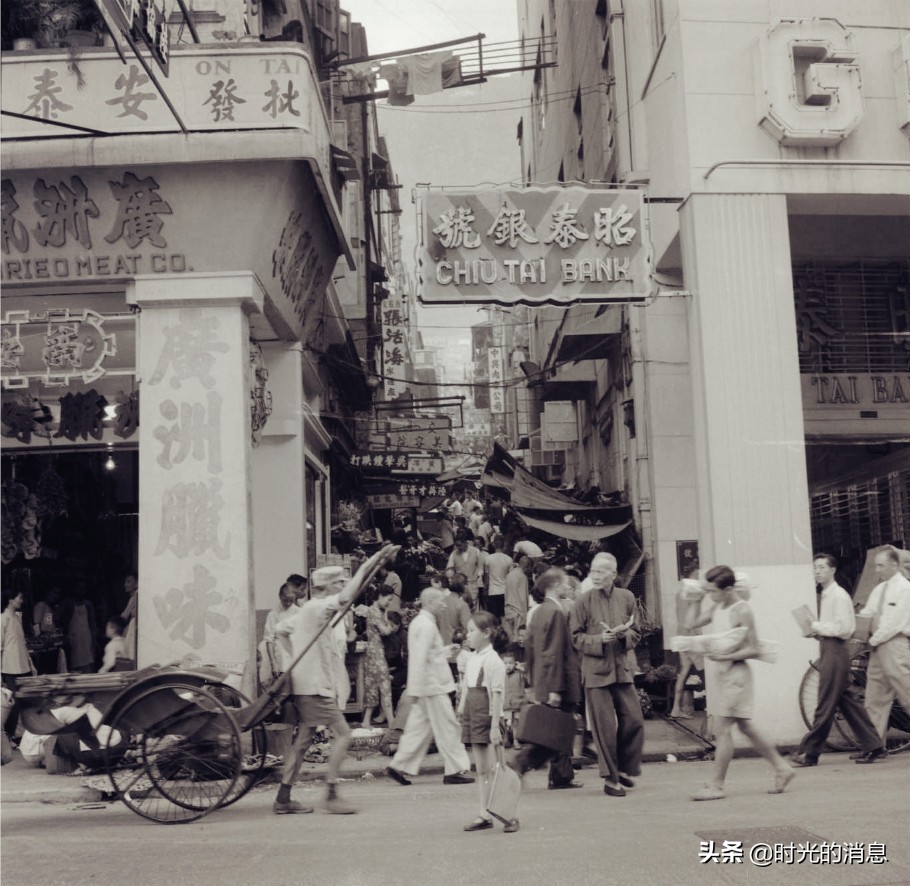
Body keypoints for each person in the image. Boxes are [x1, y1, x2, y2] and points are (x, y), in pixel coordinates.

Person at [272, 556, 390, 816]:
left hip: (309, 685)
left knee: (302, 743)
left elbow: (280, 630)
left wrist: (294, 659)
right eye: (338, 582)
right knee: (344, 734)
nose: (342, 586)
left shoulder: (308, 611)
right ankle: (331, 793)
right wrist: (367, 565)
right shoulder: (316, 608)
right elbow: (346, 597)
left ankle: (283, 798)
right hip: (314, 687)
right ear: (325, 586)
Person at [689, 565, 794, 800]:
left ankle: (717, 786)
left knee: (723, 729)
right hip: (724, 674)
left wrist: (723, 655)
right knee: (745, 727)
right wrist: (696, 599)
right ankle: (782, 768)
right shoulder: (718, 604)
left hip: (736, 675)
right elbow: (691, 623)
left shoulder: (742, 610)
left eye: (714, 591)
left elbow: (754, 647)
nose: (711, 595)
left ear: (727, 589)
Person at [791, 554, 884, 767]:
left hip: (835, 651)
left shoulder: (838, 595)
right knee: (848, 701)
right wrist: (817, 631)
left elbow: (843, 629)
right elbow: (835, 627)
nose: (818, 571)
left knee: (825, 702)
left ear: (833, 570)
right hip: (829, 648)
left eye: (822, 567)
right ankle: (874, 745)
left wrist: (816, 627)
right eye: (815, 568)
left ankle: (810, 752)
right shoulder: (827, 595)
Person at [569, 552, 644, 798]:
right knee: (605, 728)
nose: (596, 575)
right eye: (593, 571)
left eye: (602, 571)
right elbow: (575, 637)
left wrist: (624, 636)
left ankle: (623, 768)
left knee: (634, 720)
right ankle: (611, 780)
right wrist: (598, 640)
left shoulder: (627, 597)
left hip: (621, 669)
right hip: (595, 672)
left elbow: (637, 632)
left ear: (613, 574)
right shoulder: (583, 601)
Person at [386, 588, 474, 787]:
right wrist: (414, 690)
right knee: (449, 728)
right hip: (433, 686)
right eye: (441, 602)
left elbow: (426, 655)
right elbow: (419, 658)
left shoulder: (421, 622)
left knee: (419, 729)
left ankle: (399, 765)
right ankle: (455, 769)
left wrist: (444, 651)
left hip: (427, 685)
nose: (444, 605)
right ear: (431, 602)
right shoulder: (426, 625)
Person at [514, 568, 582, 790]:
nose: (568, 586)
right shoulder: (556, 611)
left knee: (558, 730)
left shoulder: (538, 611)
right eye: (564, 583)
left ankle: (561, 776)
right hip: (559, 681)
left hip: (545, 679)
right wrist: (554, 688)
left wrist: (535, 683)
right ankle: (521, 764)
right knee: (555, 732)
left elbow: (531, 649)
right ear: (554, 586)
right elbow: (553, 651)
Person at [457, 611, 519, 834]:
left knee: (496, 770)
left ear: (487, 633)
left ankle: (510, 815)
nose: (468, 635)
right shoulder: (473, 658)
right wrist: (462, 708)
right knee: (482, 770)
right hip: (474, 717)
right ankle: (484, 814)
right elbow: (466, 687)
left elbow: (497, 697)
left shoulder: (494, 661)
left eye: (472, 631)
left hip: (488, 719)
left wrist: (494, 727)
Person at [856, 545, 910, 748]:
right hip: (878, 647)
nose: (877, 570)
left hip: (894, 645)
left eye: (881, 566)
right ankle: (874, 746)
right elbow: (868, 613)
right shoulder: (879, 589)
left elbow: (893, 623)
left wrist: (872, 640)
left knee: (907, 694)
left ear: (894, 565)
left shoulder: (904, 589)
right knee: (874, 698)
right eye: (876, 566)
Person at [361, 586, 397, 730]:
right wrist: (388, 620)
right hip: (376, 651)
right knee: (384, 685)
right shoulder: (375, 611)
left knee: (374, 686)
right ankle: (392, 723)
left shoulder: (374, 611)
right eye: (388, 600)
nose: (389, 603)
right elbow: (386, 631)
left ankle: (366, 721)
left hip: (373, 651)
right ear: (380, 596)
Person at [670, 568, 704, 719]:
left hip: (681, 636)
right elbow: (693, 618)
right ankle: (713, 707)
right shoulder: (693, 593)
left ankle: (676, 708)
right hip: (691, 636)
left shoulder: (679, 594)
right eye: (697, 576)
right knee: (707, 669)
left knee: (684, 673)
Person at [2, 590, 36, 740]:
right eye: (19, 598)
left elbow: (22, 644)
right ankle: (9, 735)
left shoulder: (16, 618)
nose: (21, 600)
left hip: (22, 665)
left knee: (26, 700)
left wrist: (31, 663)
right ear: (10, 600)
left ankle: (23, 734)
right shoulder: (3, 618)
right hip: (10, 667)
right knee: (12, 702)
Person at [259, 583, 297, 688]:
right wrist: (273, 663)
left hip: (295, 655)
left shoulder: (298, 612)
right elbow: (269, 640)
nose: (288, 603)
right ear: (280, 597)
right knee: (282, 690)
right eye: (285, 600)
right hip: (280, 658)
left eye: (291, 600)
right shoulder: (273, 614)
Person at [57, 583, 98, 674]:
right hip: (73, 636)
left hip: (86, 636)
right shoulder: (67, 603)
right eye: (78, 588)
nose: (80, 591)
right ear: (73, 589)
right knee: (75, 661)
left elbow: (92, 622)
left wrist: (94, 638)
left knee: (88, 660)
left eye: (82, 589)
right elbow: (57, 617)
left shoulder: (88, 604)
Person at [446, 531, 485, 610]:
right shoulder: (454, 554)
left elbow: (481, 567)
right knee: (461, 607)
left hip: (473, 584)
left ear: (465, 543)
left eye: (460, 545)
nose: (458, 548)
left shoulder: (476, 551)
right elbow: (449, 569)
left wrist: (478, 576)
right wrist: (451, 579)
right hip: (460, 586)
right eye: (457, 546)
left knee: (474, 607)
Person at [31, 587, 62, 675]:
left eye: (58, 594)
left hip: (50, 644)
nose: (56, 596)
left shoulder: (49, 608)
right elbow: (36, 624)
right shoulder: (40, 605)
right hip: (44, 646)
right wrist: (39, 642)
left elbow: (47, 624)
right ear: (47, 592)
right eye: (54, 593)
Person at [501, 647, 526, 748]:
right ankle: (506, 738)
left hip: (517, 703)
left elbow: (528, 682)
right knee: (506, 723)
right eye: (505, 663)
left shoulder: (519, 674)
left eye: (510, 663)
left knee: (516, 723)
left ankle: (516, 740)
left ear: (515, 663)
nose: (508, 666)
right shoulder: (500, 675)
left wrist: (522, 669)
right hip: (505, 703)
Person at [484, 535, 512, 619]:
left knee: (494, 617)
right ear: (504, 545)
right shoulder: (509, 559)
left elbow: (486, 578)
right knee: (504, 616)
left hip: (492, 591)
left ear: (493, 545)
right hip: (505, 591)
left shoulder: (488, 559)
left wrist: (485, 590)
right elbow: (510, 578)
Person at [503, 556, 530, 642]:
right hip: (518, 610)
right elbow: (523, 597)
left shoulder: (509, 575)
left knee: (509, 636)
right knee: (517, 637)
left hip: (508, 608)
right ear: (527, 566)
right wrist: (525, 616)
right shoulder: (522, 577)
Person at [120, 575, 138, 661]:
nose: (125, 584)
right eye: (125, 582)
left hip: (134, 625)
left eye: (129, 582)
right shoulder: (134, 596)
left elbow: (125, 615)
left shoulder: (136, 595)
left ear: (137, 583)